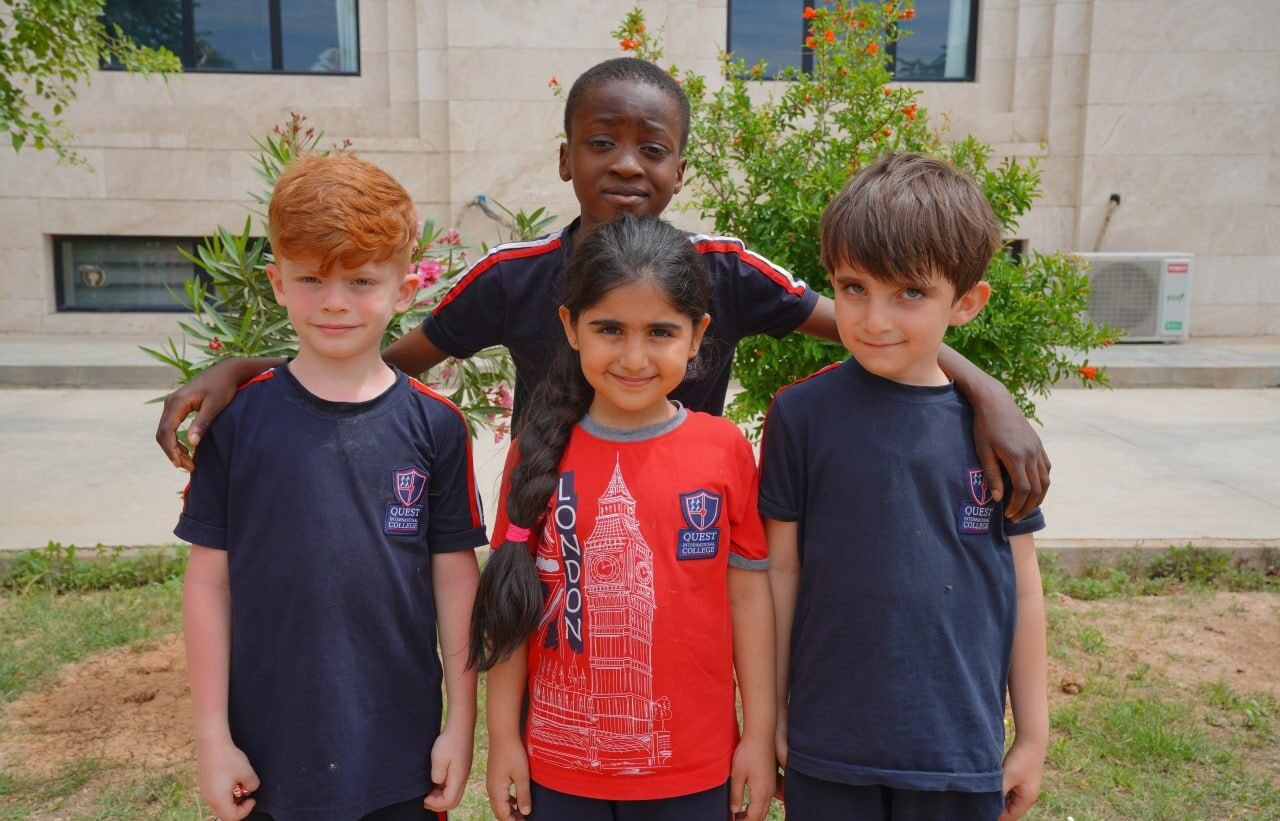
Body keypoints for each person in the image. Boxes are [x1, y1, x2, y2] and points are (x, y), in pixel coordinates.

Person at [154, 58, 1049, 520]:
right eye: (600, 143)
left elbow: (871, 327)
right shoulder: (511, 277)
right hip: (545, 530)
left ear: (680, 170)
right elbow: (380, 363)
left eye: (651, 148)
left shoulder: (726, 271)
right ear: (564, 159)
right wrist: (250, 370)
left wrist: (989, 391)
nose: (625, 164)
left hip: (687, 528)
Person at [176, 154, 484, 820]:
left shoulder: (437, 425)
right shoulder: (237, 422)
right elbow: (207, 584)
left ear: (406, 288)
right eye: (311, 278)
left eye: (361, 280)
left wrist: (461, 723)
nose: (335, 301)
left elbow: (456, 580)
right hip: (267, 754)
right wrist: (212, 736)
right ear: (277, 282)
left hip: (400, 753)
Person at [761, 154, 1049, 821]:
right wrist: (770, 713)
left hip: (958, 749)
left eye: (910, 293)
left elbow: (1024, 588)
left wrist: (1033, 736)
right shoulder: (800, 416)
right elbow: (781, 572)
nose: (874, 319)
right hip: (828, 744)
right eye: (853, 287)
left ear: (967, 302)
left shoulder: (998, 434)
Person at [470, 214, 776, 821]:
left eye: (660, 332)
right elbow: (512, 605)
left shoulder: (723, 449)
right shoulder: (538, 452)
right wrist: (503, 737)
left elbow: (748, 601)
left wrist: (759, 736)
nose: (634, 358)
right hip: (560, 767)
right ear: (571, 327)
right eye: (610, 329)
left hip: (693, 764)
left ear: (697, 335)